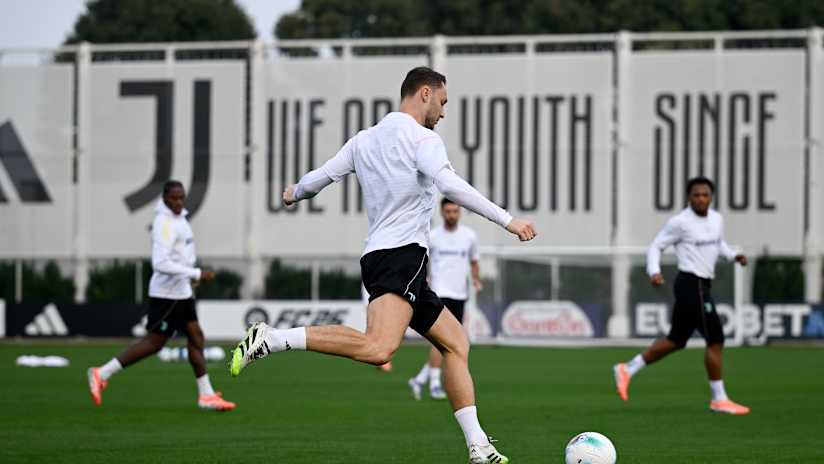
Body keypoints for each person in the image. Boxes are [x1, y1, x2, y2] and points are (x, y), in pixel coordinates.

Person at [228, 66, 536, 463]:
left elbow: (320, 178)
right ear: (424, 93)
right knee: (378, 349)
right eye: (442, 102)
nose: (442, 113)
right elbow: (451, 185)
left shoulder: (364, 140)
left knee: (456, 342)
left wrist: (294, 193)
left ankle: (478, 446)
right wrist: (508, 220)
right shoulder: (422, 138)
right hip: (401, 256)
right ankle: (271, 339)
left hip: (385, 256)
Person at [87, 180, 236, 412]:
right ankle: (101, 373)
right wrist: (195, 272)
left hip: (181, 291)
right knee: (155, 343)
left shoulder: (179, 219)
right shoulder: (164, 224)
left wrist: (190, 277)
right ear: (165, 199)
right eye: (174, 198)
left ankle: (206, 395)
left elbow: (180, 256)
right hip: (167, 294)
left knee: (196, 337)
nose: (178, 202)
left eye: (181, 198)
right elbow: (160, 263)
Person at [613, 176, 750, 415]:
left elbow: (719, 245)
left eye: (705, 194)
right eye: (696, 194)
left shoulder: (717, 219)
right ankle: (719, 398)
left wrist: (734, 255)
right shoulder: (680, 222)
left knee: (676, 340)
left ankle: (628, 368)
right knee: (715, 339)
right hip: (691, 283)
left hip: (701, 285)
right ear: (689, 197)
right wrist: (654, 271)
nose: (701, 198)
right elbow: (656, 245)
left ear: (711, 197)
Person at [409, 198, 481, 401]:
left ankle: (419, 380)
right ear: (442, 212)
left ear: (459, 212)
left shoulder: (469, 236)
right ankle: (434, 383)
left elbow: (474, 261)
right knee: (441, 340)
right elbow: (421, 262)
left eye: (455, 211)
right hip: (439, 293)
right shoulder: (432, 237)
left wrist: (476, 280)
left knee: (452, 342)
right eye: (448, 211)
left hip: (459, 294)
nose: (451, 214)